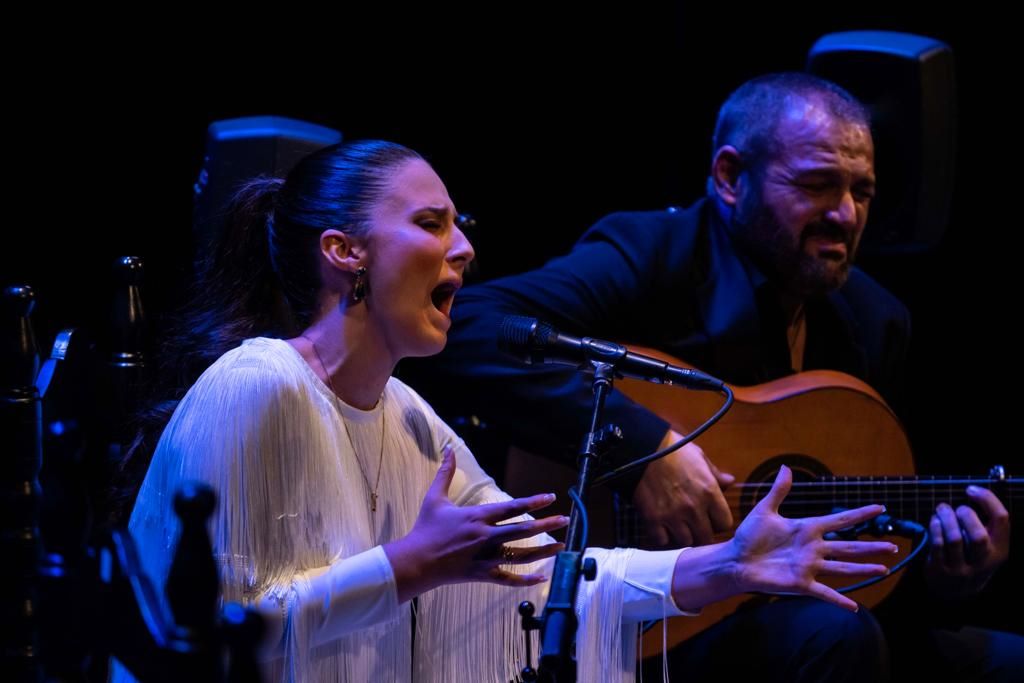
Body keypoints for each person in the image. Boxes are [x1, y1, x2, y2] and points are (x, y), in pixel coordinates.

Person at [110, 139, 895, 682]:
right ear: (343, 250)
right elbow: (204, 635)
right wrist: (408, 565)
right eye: (430, 223)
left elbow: (547, 582)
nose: (465, 250)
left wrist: (720, 567)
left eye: (461, 226)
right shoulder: (258, 383)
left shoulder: (411, 420)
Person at [403, 73, 1019, 681]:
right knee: (835, 639)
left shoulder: (875, 321)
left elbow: (861, 549)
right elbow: (476, 326)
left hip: (780, 613)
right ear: (730, 177)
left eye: (863, 192)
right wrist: (646, 448)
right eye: (817, 185)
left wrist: (947, 576)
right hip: (642, 622)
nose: (845, 213)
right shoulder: (654, 255)